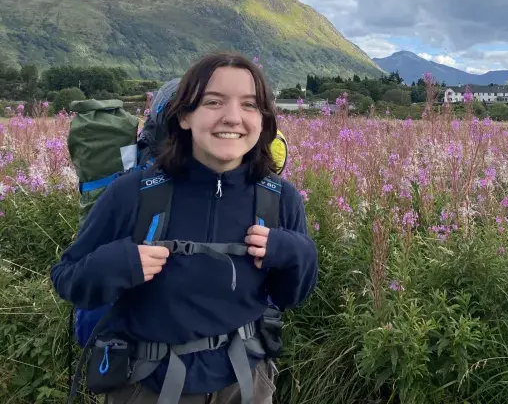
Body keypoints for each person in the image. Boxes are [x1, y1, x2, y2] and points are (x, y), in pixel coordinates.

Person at [51, 52, 319, 403]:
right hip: (148, 384)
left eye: (250, 105)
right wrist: (118, 264)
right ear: (184, 116)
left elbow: (291, 297)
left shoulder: (279, 197)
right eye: (213, 101)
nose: (233, 117)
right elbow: (67, 278)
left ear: (264, 120)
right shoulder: (133, 193)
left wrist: (297, 252)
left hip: (244, 384)